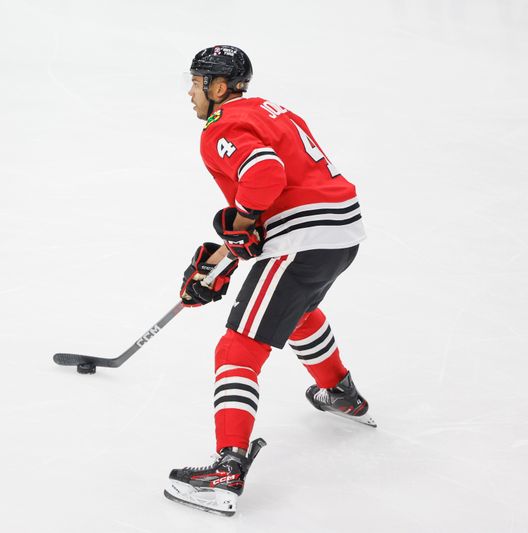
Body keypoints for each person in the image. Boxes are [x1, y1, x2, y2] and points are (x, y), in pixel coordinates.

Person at [163, 45, 375, 517]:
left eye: (196, 83)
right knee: (295, 311)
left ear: (218, 87)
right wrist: (222, 256)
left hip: (303, 237)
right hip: (341, 232)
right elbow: (278, 197)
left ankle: (227, 468)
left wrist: (239, 231)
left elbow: (263, 174)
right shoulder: (270, 111)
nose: (190, 92)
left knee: (237, 349)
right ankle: (339, 392)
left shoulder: (223, 125)